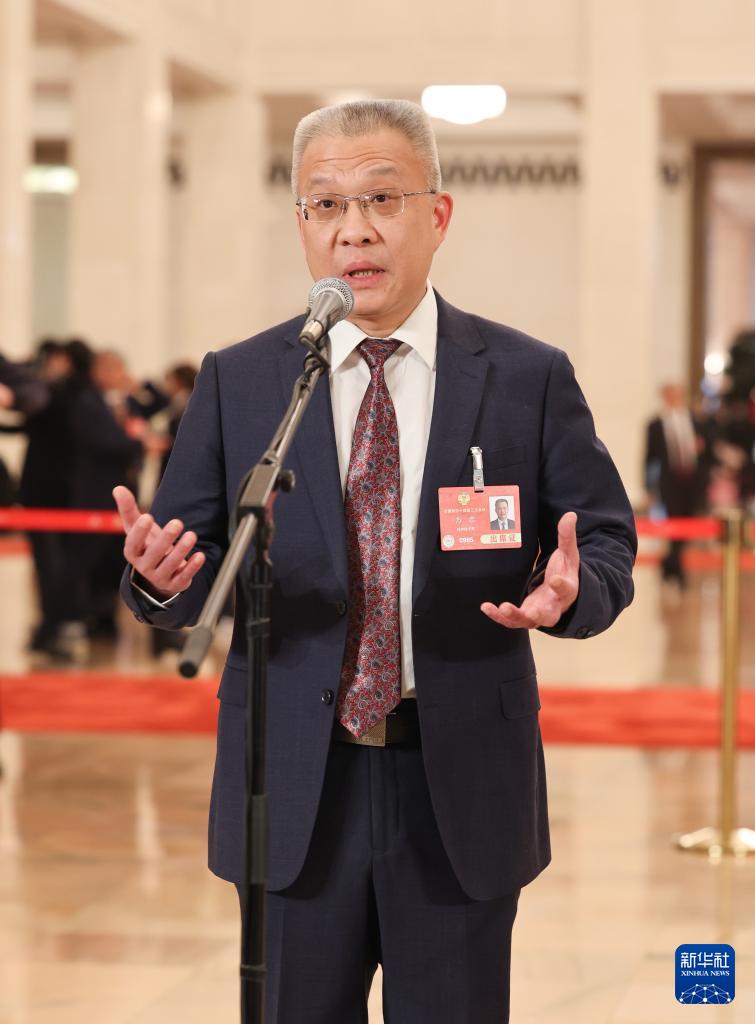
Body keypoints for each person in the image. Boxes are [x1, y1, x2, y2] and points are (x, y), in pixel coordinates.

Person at [114, 99, 636, 1023]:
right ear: (301, 226)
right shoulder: (245, 379)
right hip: (293, 781)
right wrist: (159, 580)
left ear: (437, 215)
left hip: (458, 779)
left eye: (381, 199)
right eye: (324, 204)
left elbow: (602, 541)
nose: (352, 229)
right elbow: (188, 557)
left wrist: (573, 590)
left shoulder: (524, 375)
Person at [644, 383, 708, 587]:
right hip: (670, 482)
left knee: (688, 525)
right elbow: (649, 458)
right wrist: (648, 488)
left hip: (692, 481)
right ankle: (677, 571)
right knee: (674, 523)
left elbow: (708, 450)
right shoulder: (655, 424)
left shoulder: (696, 421)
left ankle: (669, 564)